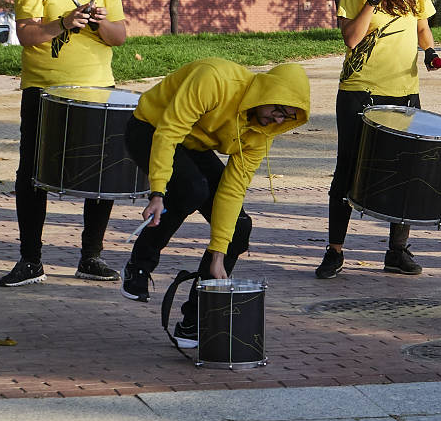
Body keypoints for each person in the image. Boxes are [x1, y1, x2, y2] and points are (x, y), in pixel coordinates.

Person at [122, 58, 310, 345]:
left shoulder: (261, 134)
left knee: (238, 228)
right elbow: (169, 131)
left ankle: (195, 320)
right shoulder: (215, 80)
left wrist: (218, 253)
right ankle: (139, 264)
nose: (279, 120)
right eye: (279, 109)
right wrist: (158, 192)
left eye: (289, 116)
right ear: (267, 93)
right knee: (190, 189)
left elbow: (232, 191)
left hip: (193, 145)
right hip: (150, 127)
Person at [0, 0, 129, 288]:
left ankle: (91, 256)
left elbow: (120, 37)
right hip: (45, 89)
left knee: (100, 173)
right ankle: (31, 260)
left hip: (96, 86)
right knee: (33, 174)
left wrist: (102, 22)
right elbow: (27, 34)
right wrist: (65, 22)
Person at [317, 0, 440, 280]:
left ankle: (397, 251)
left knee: (406, 171)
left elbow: (422, 26)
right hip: (361, 92)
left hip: (405, 91)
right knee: (349, 169)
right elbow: (351, 38)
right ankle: (335, 250)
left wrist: (430, 51)